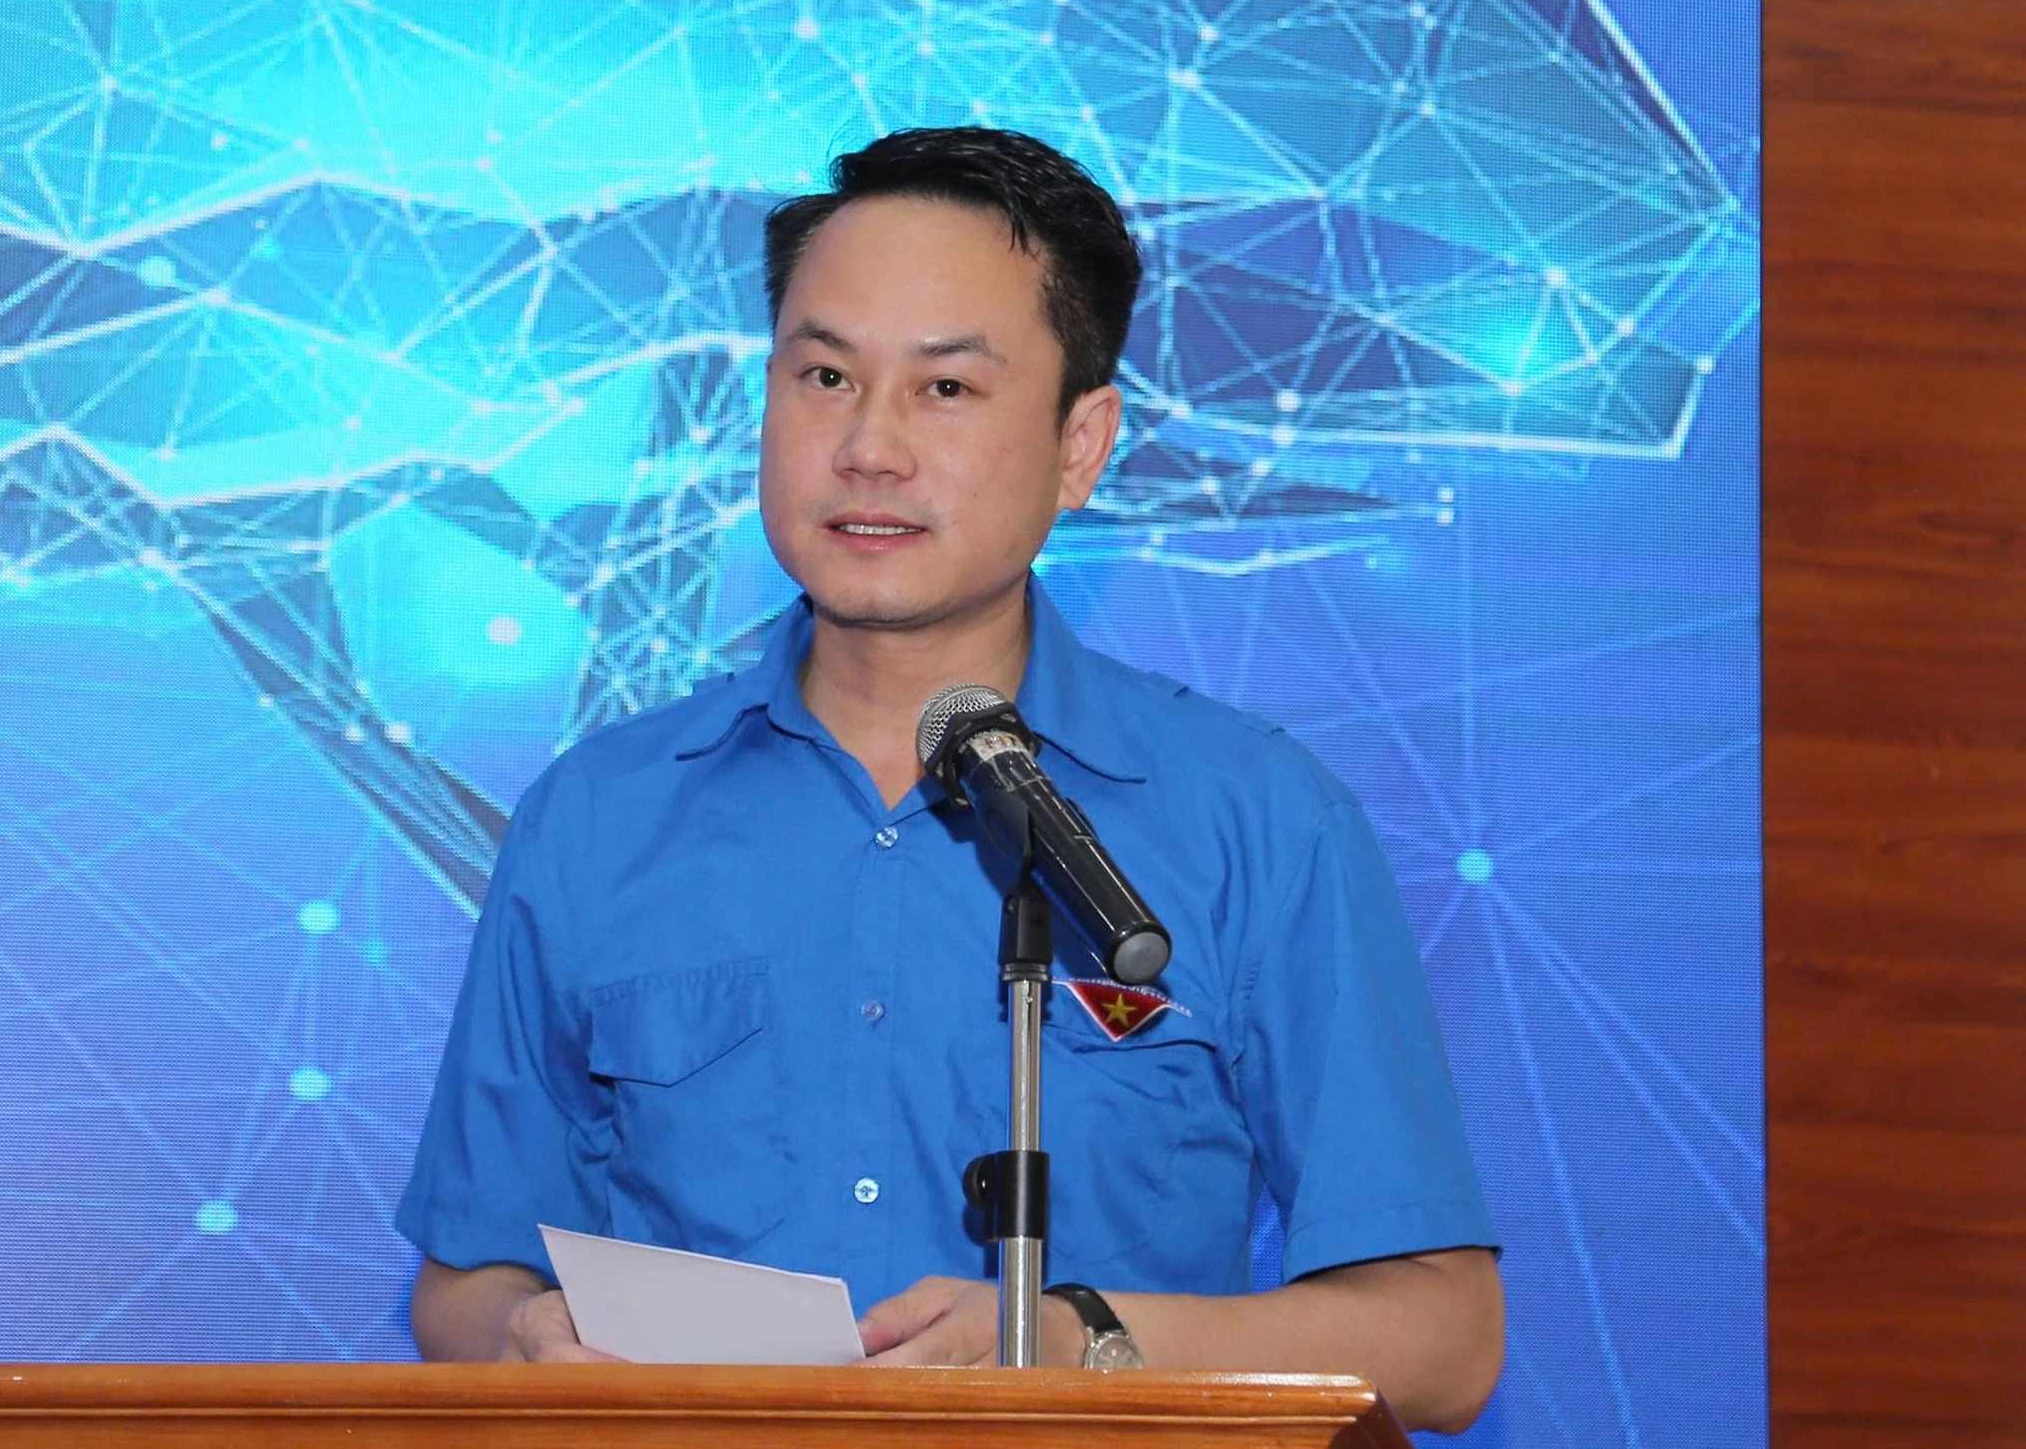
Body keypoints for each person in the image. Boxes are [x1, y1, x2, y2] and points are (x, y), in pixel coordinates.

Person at [396, 127, 1503, 1432]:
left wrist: (1078, 1340)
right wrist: (520, 1338)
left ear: (1082, 444)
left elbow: (1444, 1337)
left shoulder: (1257, 821)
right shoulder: (597, 815)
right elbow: (468, 1279)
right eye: (824, 375)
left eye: (947, 388)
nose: (868, 446)